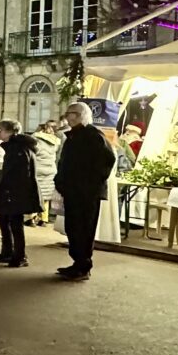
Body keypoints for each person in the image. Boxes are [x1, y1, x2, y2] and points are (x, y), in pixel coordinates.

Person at [53, 101, 115, 282]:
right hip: (73, 191)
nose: (66, 116)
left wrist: (88, 184)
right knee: (73, 227)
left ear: (79, 115)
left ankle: (83, 266)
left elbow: (106, 161)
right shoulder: (74, 136)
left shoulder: (92, 135)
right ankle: (77, 263)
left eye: (69, 113)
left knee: (84, 229)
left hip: (86, 193)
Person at [0, 120, 42, 267]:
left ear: (9, 132)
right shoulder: (15, 147)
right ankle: (8, 252)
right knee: (4, 219)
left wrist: (9, 190)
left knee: (15, 223)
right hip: (11, 191)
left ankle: (19, 255)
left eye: (0, 130)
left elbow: (21, 174)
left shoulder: (19, 149)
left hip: (16, 192)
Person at [30, 121, 61, 226]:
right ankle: (44, 218)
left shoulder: (36, 139)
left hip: (38, 168)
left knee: (35, 193)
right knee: (46, 195)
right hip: (51, 169)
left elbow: (32, 153)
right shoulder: (55, 141)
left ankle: (32, 217)